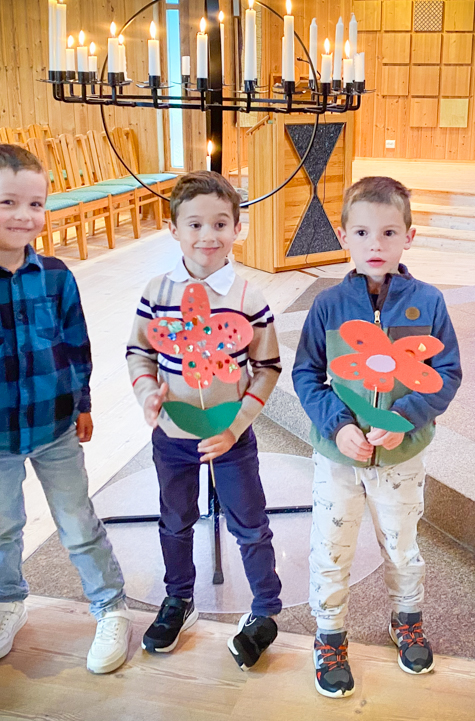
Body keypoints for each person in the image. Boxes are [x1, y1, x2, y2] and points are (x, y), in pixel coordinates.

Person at [0, 144, 131, 674]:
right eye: (9, 202)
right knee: (2, 527)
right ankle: (6, 603)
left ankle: (110, 606)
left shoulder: (57, 275)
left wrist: (84, 401)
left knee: (77, 520)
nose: (25, 215)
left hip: (56, 425)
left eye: (36, 204)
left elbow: (76, 343)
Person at [292, 176, 462, 698]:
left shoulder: (429, 302)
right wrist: (339, 425)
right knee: (331, 548)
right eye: (362, 232)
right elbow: (306, 375)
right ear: (344, 236)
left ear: (409, 237)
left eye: (389, 233)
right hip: (339, 458)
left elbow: (448, 373)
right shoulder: (327, 305)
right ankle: (329, 635)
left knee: (403, 545)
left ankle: (405, 621)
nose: (375, 245)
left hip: (402, 458)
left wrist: (403, 418)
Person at [126, 171, 283, 669]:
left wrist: (234, 427)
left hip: (231, 437)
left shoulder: (248, 298)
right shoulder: (157, 290)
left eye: (220, 223)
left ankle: (265, 610)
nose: (207, 236)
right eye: (194, 224)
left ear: (239, 227)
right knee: (175, 520)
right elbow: (138, 351)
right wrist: (148, 393)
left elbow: (267, 368)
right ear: (173, 229)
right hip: (172, 435)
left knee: (250, 523)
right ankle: (179, 599)